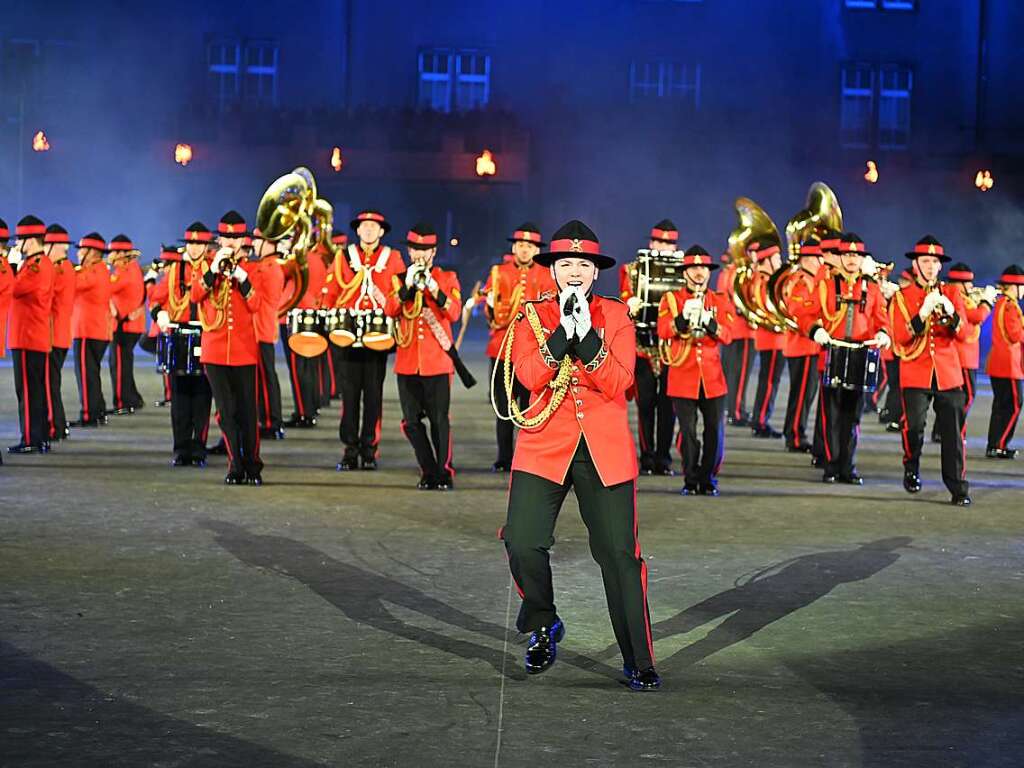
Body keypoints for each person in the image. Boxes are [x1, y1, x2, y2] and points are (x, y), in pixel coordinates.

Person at [498, 219, 659, 691]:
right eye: (565, 263)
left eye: (582, 264)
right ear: (553, 269)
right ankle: (543, 621)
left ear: (595, 273)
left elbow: (618, 380)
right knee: (523, 540)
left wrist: (584, 334)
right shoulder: (530, 314)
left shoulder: (616, 315)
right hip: (544, 443)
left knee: (618, 555)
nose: (573, 271)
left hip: (604, 449)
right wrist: (558, 336)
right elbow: (528, 377)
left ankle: (639, 659)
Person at [797, 234, 890, 484]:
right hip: (832, 352)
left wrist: (883, 333)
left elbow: (882, 318)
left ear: (862, 259)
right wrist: (816, 330)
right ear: (840, 257)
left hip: (860, 353)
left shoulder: (871, 288)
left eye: (856, 255)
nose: (851, 260)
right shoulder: (826, 285)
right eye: (847, 255)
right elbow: (807, 313)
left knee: (853, 414)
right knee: (831, 413)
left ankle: (847, 465)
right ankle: (831, 464)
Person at [890, 236, 971, 506]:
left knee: (954, 434)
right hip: (916, 369)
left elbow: (965, 335)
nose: (930, 267)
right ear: (915, 264)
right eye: (925, 261)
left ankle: (958, 487)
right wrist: (921, 315)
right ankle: (911, 467)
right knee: (913, 428)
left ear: (940, 266)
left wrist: (952, 315)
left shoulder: (952, 293)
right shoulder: (902, 297)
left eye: (935, 262)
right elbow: (900, 337)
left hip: (948, 372)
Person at [324, 209, 405, 470]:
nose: (369, 230)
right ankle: (350, 448)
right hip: (348, 335)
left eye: (374, 226)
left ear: (381, 232)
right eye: (364, 226)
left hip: (377, 336)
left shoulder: (393, 258)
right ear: (357, 231)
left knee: (373, 395)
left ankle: (369, 448)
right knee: (348, 396)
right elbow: (331, 294)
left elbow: (399, 295)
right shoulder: (342, 257)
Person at [385, 223, 462, 490]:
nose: (419, 254)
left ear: (433, 252)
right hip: (407, 363)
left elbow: (454, 313)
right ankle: (428, 469)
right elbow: (391, 308)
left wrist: (433, 288)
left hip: (437, 362)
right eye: (415, 249)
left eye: (425, 250)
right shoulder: (398, 279)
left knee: (439, 420)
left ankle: (444, 471)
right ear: (408, 251)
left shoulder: (447, 277)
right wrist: (407, 285)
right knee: (411, 422)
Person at [191, 211, 265, 485]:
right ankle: (235, 462)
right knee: (225, 411)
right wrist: (214, 271)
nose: (231, 243)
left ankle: (253, 463)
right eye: (226, 237)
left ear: (244, 240)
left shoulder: (253, 269)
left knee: (248, 411)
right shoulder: (207, 265)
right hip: (215, 350)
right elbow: (195, 295)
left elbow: (256, 304)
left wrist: (241, 276)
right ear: (218, 239)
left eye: (235, 238)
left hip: (244, 350)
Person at [657, 245, 734, 495]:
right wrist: (682, 319)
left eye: (703, 268)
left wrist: (710, 323)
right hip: (683, 374)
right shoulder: (671, 299)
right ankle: (691, 479)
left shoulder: (720, 300)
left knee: (715, 431)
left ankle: (708, 477)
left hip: (712, 376)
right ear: (685, 272)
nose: (699, 272)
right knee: (688, 432)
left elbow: (729, 335)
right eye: (694, 267)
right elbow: (662, 330)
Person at [484, 222, 555, 471]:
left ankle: (528, 456)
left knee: (531, 405)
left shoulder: (547, 275)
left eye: (530, 246)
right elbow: (490, 314)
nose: (525, 250)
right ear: (514, 247)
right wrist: (490, 306)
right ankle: (504, 457)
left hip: (533, 351)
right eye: (521, 245)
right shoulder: (498, 272)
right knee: (503, 406)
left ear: (536, 250)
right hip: (502, 348)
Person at [150, 225, 216, 466]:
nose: (195, 248)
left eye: (199, 244)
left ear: (206, 246)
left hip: (205, 334)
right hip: (179, 335)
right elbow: (155, 299)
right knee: (179, 397)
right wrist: (160, 316)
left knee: (202, 395)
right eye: (191, 243)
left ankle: (198, 447)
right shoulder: (176, 269)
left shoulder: (213, 268)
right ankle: (180, 448)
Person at [620, 219, 680, 475]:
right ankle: (646, 456)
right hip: (643, 346)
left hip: (672, 348)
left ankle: (663, 457)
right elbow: (625, 300)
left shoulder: (682, 270)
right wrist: (630, 304)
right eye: (660, 242)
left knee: (668, 406)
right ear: (651, 243)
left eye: (669, 243)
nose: (664, 247)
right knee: (645, 404)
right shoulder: (633, 269)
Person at [6, 215, 55, 454]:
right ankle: (39, 436)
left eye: (21, 240)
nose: (18, 246)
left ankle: (30, 439)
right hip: (31, 335)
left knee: (27, 391)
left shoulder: (36, 266)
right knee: (34, 390)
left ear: (31, 241)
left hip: (27, 336)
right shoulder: (37, 264)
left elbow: (15, 289)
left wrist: (12, 266)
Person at [936, 262, 995, 443]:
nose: (971, 286)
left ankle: (942, 431)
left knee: (960, 397)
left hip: (967, 356)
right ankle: (953, 431)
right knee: (966, 397)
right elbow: (977, 316)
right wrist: (985, 302)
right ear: (959, 283)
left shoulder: (963, 297)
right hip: (962, 356)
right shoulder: (957, 298)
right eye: (968, 283)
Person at [781, 238, 825, 453]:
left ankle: (794, 432)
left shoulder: (811, 279)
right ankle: (795, 435)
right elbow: (798, 312)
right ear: (808, 259)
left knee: (804, 393)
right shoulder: (800, 281)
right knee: (801, 394)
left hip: (807, 346)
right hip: (803, 345)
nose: (822, 262)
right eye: (819, 257)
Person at [70, 233, 112, 427]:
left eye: (81, 250)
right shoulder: (99, 270)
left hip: (88, 330)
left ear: (92, 252)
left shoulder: (93, 271)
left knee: (86, 375)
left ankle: (90, 414)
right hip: (95, 329)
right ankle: (98, 410)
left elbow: (74, 284)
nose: (78, 254)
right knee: (91, 373)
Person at [249, 228, 286, 440]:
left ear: (269, 243)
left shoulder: (269, 268)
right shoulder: (267, 266)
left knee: (266, 378)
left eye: (257, 240)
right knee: (265, 377)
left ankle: (272, 421)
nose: (254, 245)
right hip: (262, 327)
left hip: (260, 328)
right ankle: (269, 419)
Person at [985, 264, 1024, 459]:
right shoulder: (1011, 306)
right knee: (1014, 404)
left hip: (998, 362)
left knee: (1000, 406)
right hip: (1009, 365)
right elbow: (1016, 335)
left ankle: (994, 444)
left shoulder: (1001, 303)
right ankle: (999, 444)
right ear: (1013, 287)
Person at [749, 240, 786, 438]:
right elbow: (769, 310)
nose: (780, 261)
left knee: (769, 380)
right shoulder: (764, 281)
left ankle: (761, 419)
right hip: (772, 338)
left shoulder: (763, 279)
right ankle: (761, 420)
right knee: (769, 381)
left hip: (772, 339)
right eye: (777, 258)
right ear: (768, 260)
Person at [107, 234, 146, 415]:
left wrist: (106, 268)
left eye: (113, 252)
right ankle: (133, 398)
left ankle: (123, 401)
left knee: (119, 365)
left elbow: (107, 287)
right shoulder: (134, 268)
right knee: (125, 364)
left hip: (125, 325)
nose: (111, 255)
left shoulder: (124, 271)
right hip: (131, 325)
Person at [44, 224, 75, 442]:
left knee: (50, 384)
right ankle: (58, 424)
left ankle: (55, 425)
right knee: (52, 382)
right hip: (60, 332)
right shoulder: (65, 267)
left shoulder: (59, 269)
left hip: (54, 333)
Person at [718, 249, 756, 427]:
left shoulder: (726, 273)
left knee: (730, 373)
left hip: (730, 328)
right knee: (740, 375)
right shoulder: (740, 274)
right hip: (744, 329)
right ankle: (736, 411)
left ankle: (730, 408)